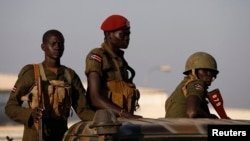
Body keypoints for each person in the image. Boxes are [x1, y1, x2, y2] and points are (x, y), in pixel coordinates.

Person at [5, 29, 95, 141]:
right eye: (53, 44)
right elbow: (10, 107)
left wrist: (104, 119)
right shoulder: (31, 73)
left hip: (60, 136)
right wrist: (31, 114)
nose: (57, 47)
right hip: (35, 136)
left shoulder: (69, 75)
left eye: (60, 43)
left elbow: (83, 110)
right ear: (43, 47)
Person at [85, 14, 142, 119]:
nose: (127, 38)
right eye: (122, 35)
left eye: (128, 34)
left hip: (121, 121)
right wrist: (125, 114)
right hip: (104, 123)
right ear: (108, 34)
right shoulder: (97, 56)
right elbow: (94, 98)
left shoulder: (120, 60)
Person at [165, 51, 220, 118]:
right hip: (183, 127)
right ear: (193, 72)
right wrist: (211, 117)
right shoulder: (196, 84)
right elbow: (192, 112)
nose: (209, 74)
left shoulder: (183, 86)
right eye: (204, 70)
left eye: (212, 72)